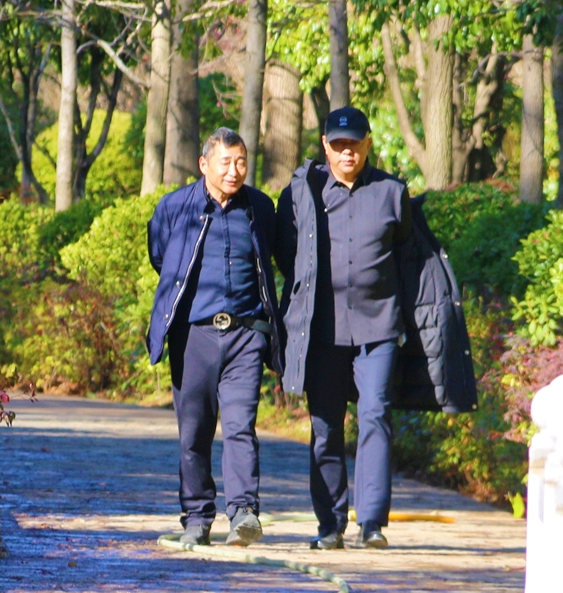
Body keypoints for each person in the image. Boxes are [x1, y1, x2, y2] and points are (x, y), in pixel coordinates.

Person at [275, 106, 475, 550]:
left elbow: (406, 252)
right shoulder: (302, 193)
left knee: (375, 416)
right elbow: (287, 254)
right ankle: (330, 525)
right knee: (326, 426)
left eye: (355, 144)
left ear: (368, 144)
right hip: (321, 331)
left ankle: (371, 522)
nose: (347, 152)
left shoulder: (391, 192)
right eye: (339, 145)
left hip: (379, 327)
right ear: (326, 146)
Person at [146, 129, 285, 547]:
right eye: (225, 162)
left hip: (245, 335)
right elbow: (161, 257)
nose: (234, 171)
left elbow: (271, 256)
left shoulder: (260, 207)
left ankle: (244, 513)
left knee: (241, 425)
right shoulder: (175, 207)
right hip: (194, 336)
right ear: (204, 164)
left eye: (241, 162)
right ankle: (197, 517)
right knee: (194, 432)